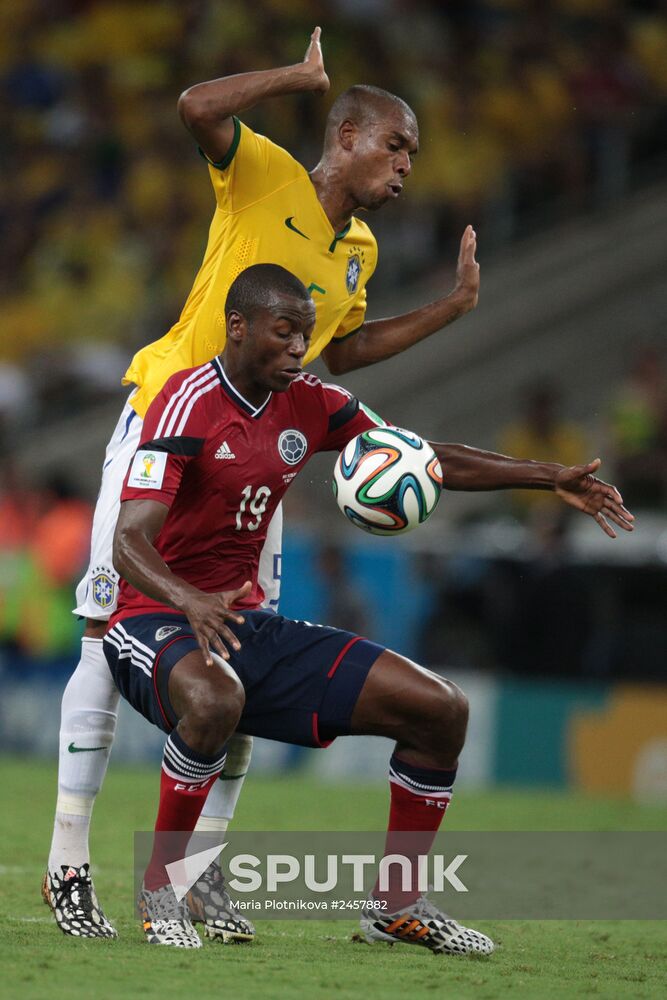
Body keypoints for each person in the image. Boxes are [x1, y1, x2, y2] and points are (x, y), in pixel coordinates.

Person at [44, 27, 482, 940]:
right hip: (168, 431)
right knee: (101, 634)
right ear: (348, 136)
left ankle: (196, 876)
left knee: (234, 652)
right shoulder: (266, 174)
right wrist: (298, 76)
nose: (407, 166)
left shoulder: (354, 249)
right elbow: (196, 107)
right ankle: (69, 866)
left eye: (414, 154)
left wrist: (448, 309)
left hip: (257, 454)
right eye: (397, 145)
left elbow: (345, 348)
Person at [103, 264, 633, 949]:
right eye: (284, 332)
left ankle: (395, 904)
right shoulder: (186, 401)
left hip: (238, 627)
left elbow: (420, 457)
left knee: (439, 708)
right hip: (150, 619)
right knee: (213, 701)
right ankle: (162, 885)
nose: (299, 349)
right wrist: (188, 598)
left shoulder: (313, 402)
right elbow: (126, 539)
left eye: (306, 336)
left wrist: (544, 476)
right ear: (238, 328)